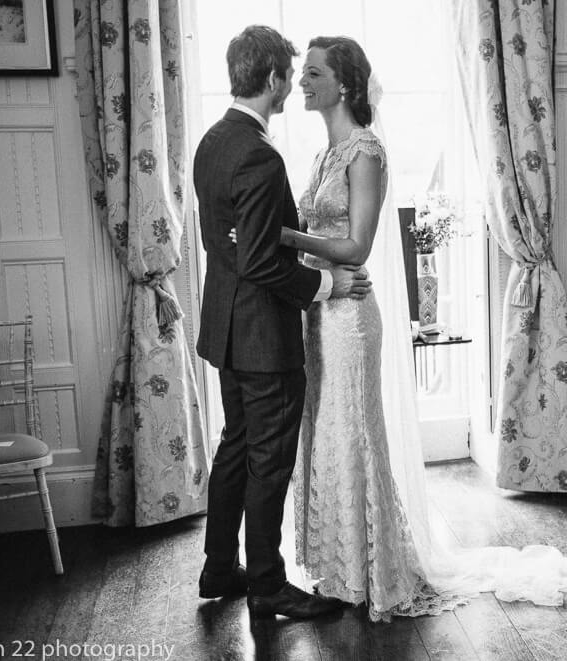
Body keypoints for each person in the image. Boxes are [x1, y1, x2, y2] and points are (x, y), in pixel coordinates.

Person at [276, 36, 567, 622]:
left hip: (349, 320)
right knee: (325, 433)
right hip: (318, 312)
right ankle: (337, 568)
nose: (302, 82)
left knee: (352, 432)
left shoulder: (366, 151)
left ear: (343, 83)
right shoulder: (324, 153)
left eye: (312, 72)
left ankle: (371, 570)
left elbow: (357, 245)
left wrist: (286, 237)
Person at [193, 25, 370, 620]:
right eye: (291, 75)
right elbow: (262, 258)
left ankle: (220, 568)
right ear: (272, 79)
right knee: (268, 461)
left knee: (235, 448)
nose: (293, 84)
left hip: (225, 328)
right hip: (263, 336)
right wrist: (326, 284)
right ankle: (266, 584)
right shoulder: (260, 156)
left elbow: (237, 246)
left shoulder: (213, 142)